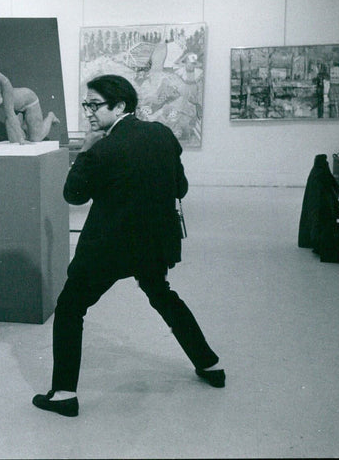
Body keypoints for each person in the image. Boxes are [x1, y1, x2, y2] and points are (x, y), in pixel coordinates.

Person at [32, 75, 223, 418]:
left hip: (107, 248)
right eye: (86, 104)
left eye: (95, 104)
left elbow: (73, 195)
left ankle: (63, 394)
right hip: (152, 243)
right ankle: (210, 364)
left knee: (70, 307)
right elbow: (180, 188)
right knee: (162, 294)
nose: (88, 111)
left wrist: (87, 148)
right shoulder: (162, 135)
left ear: (119, 105)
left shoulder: (101, 149)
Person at [0, 50, 59, 145]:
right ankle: (24, 125)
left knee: (35, 138)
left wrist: (21, 139)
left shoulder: (3, 81)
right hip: (13, 110)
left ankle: (50, 116)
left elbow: (9, 112)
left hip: (28, 102)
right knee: (14, 142)